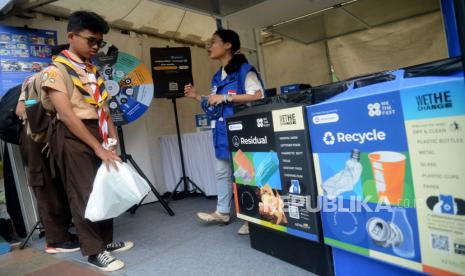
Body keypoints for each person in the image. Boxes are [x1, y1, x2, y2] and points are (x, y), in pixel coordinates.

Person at [42, 11, 132, 272]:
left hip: (100, 131)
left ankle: (105, 242)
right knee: (83, 193)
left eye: (99, 43)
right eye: (91, 41)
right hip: (74, 135)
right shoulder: (55, 70)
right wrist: (97, 148)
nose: (95, 47)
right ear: (72, 36)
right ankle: (94, 251)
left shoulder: (92, 70)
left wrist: (112, 139)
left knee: (106, 187)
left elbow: (104, 107)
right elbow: (68, 116)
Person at [184, 29, 264, 235]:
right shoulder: (217, 77)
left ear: (228, 45)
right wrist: (196, 97)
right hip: (221, 132)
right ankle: (222, 212)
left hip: (243, 131)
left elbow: (258, 95)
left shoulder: (245, 70)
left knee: (246, 174)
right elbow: (213, 106)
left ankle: (252, 216)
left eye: (213, 42)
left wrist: (227, 98)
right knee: (222, 172)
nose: (209, 46)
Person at [16, 43, 80, 254]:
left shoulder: (50, 76)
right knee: (46, 187)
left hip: (47, 138)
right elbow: (20, 110)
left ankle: (62, 234)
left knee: (56, 186)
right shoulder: (42, 77)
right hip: (38, 139)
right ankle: (55, 241)